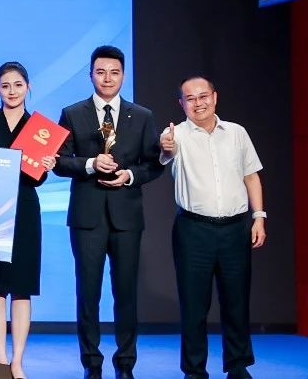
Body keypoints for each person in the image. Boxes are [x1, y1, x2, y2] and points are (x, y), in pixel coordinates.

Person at [53, 45, 165, 379]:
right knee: (87, 293)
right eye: (101, 72)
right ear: (91, 75)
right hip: (86, 217)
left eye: (114, 72)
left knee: (125, 293)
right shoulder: (73, 113)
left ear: (123, 76)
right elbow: (59, 162)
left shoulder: (141, 116)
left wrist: (129, 175)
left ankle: (125, 363)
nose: (107, 78)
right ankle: (92, 363)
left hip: (126, 217)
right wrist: (90, 164)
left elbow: (154, 164)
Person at [160, 76, 265, 379]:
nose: (198, 103)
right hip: (193, 230)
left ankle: (238, 366)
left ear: (215, 97)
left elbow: (251, 176)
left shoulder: (237, 133)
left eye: (203, 96)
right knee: (194, 305)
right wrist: (166, 147)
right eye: (190, 99)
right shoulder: (175, 135)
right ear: (181, 104)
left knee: (236, 301)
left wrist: (259, 216)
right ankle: (194, 370)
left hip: (236, 228)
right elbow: (165, 156)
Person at [0, 62, 55, 379]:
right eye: (5, 86)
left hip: (25, 210)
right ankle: (1, 360)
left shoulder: (40, 129)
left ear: (28, 87)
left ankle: (17, 361)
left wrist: (46, 165)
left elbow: (37, 180)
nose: (12, 91)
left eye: (18, 85)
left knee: (22, 289)